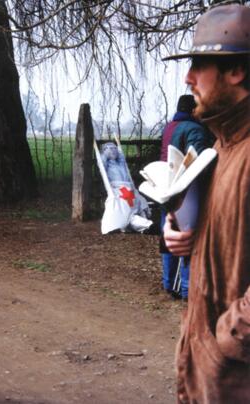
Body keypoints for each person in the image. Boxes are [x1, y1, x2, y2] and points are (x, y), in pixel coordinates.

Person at [162, 4, 250, 403]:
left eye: (199, 63)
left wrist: (229, 338)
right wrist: (187, 236)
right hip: (208, 376)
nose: (188, 77)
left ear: (236, 71)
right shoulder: (221, 147)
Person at [160, 94, 214, 300]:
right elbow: (197, 164)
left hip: (166, 189)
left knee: (169, 237)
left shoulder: (169, 127)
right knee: (186, 238)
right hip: (187, 192)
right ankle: (186, 289)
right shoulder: (195, 129)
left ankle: (168, 283)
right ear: (193, 111)